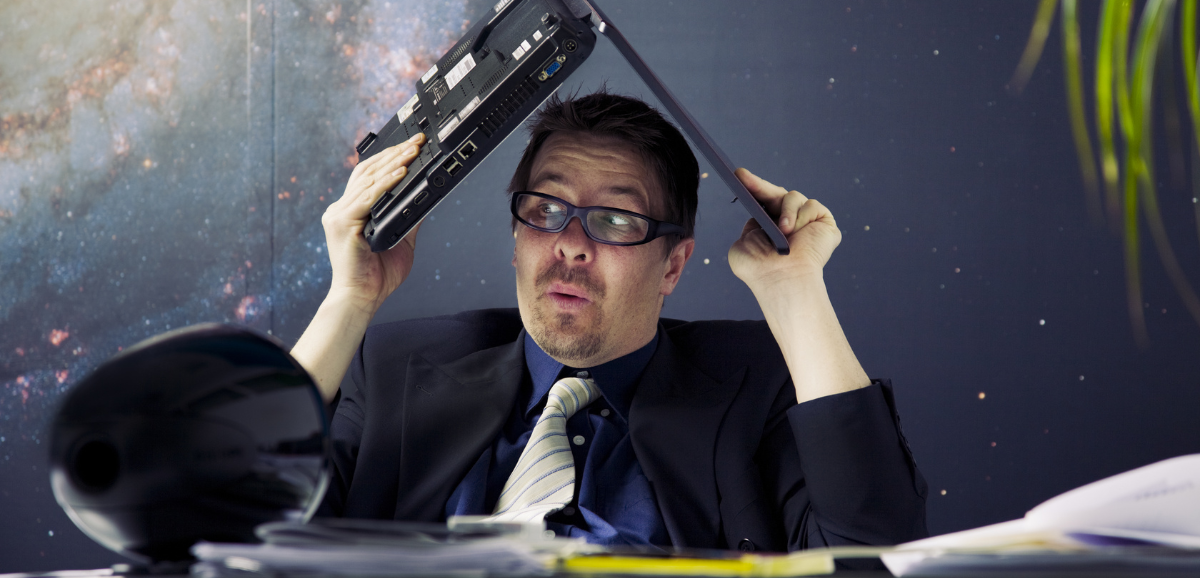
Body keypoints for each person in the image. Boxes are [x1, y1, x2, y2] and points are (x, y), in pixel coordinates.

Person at [290, 91, 927, 551]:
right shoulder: (397, 367)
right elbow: (219, 512)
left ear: (673, 265)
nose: (569, 243)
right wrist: (350, 296)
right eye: (546, 209)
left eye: (618, 220)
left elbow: (873, 555)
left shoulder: (756, 384)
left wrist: (796, 289)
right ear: (517, 237)